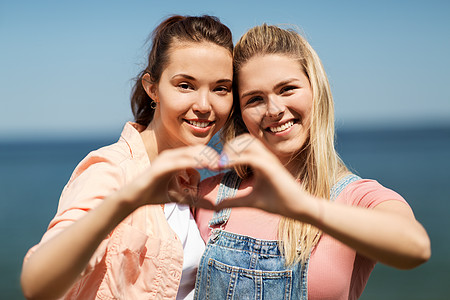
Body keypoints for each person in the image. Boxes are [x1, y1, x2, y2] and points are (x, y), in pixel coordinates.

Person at [193, 24, 431, 299]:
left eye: (287, 89)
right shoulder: (207, 195)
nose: (274, 110)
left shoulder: (355, 197)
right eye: (255, 99)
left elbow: (416, 248)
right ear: (240, 114)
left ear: (315, 90)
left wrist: (304, 206)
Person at [20, 15, 233, 300]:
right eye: (185, 85)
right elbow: (38, 284)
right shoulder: (112, 169)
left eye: (220, 88)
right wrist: (127, 199)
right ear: (152, 88)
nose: (205, 105)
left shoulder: (189, 182)